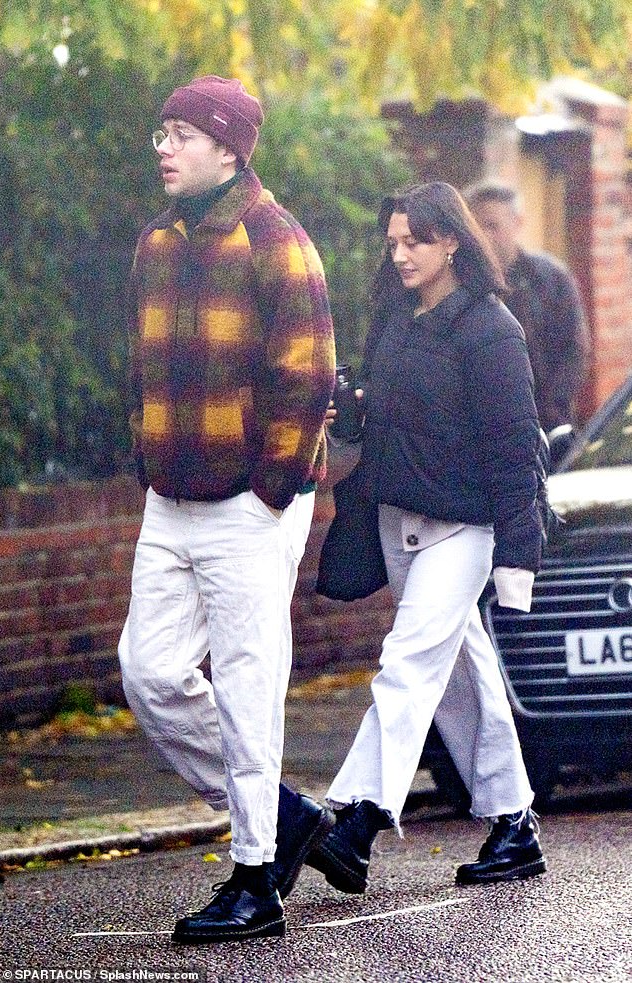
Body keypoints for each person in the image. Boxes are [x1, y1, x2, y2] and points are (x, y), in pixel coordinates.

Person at [270, 181, 547, 899]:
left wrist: (518, 555)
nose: (399, 254)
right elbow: (387, 418)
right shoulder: (393, 319)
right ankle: (514, 823)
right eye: (392, 242)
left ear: (451, 240)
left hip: (465, 529)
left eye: (414, 241)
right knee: (460, 676)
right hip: (399, 521)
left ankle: (354, 822)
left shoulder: (492, 330)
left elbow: (518, 453)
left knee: (407, 665)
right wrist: (354, 407)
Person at [117, 74, 336, 944]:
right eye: (161, 132)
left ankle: (256, 877)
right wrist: (149, 454)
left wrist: (269, 489)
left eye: (181, 133)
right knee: (149, 672)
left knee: (249, 690)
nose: (164, 148)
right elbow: (137, 370)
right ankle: (285, 816)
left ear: (228, 148)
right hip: (168, 502)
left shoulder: (278, 241)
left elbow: (308, 376)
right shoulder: (155, 243)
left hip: (251, 502)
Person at [464, 181, 590, 434]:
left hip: (545, 421)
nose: (485, 235)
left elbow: (575, 350)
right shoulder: (462, 284)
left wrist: (552, 405)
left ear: (517, 223)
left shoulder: (550, 278)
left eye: (492, 225)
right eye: (477, 227)